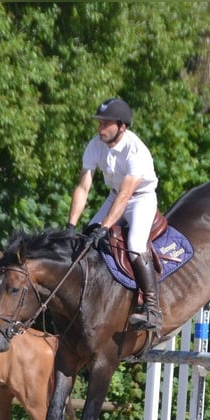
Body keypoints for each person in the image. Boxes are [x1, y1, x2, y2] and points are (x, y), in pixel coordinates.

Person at [66, 97, 162, 333]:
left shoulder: (135, 151)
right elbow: (83, 187)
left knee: (135, 244)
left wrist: (105, 226)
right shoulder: (95, 145)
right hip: (115, 195)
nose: (99, 128)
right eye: (99, 123)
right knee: (86, 240)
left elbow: (127, 194)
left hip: (140, 198)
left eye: (105, 123)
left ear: (122, 126)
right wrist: (71, 225)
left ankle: (152, 308)